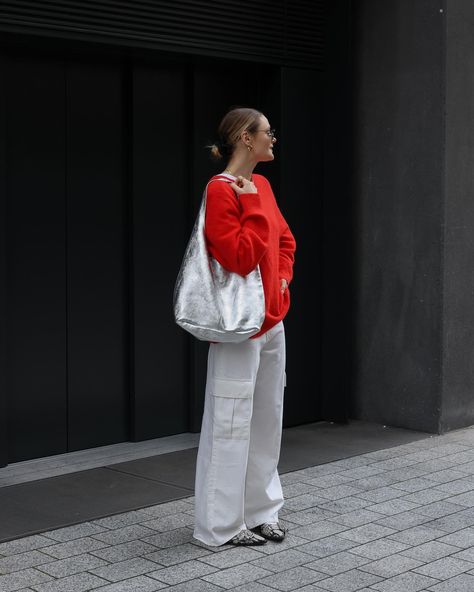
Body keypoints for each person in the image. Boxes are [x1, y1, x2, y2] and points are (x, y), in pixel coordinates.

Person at [193, 106, 296, 547]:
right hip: (238, 331)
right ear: (244, 138)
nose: (273, 138)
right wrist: (249, 201)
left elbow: (286, 239)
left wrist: (283, 279)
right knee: (230, 424)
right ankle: (218, 528)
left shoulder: (264, 186)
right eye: (267, 132)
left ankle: (261, 513)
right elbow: (237, 257)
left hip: (272, 323)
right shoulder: (222, 191)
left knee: (267, 421)